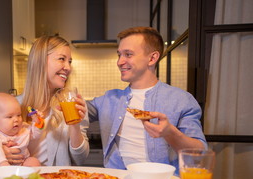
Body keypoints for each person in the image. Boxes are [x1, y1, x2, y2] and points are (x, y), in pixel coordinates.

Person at [87, 27, 207, 171]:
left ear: (152, 58)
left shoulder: (182, 100)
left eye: (128, 54)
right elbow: (74, 108)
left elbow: (200, 153)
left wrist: (170, 133)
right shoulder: (109, 99)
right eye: (119, 55)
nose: (120, 62)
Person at [0, 35, 89, 167]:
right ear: (40, 61)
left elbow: (81, 159)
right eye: (62, 59)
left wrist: (75, 126)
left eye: (70, 61)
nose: (68, 67)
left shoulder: (73, 104)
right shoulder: (14, 104)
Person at [0, 92, 42, 171]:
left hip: (22, 163)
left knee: (33, 161)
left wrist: (37, 122)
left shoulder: (23, 128)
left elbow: (35, 135)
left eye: (18, 115)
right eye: (9, 117)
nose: (16, 120)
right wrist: (3, 165)